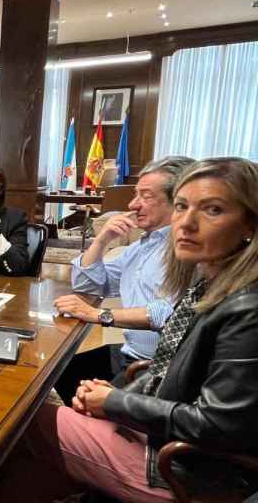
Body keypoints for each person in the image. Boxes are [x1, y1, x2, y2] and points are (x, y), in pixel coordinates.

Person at [0, 157, 258, 503]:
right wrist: (118, 397)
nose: (187, 223)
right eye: (182, 206)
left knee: (15, 423)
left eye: (212, 210)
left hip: (182, 468)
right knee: (35, 427)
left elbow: (217, 425)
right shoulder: (208, 282)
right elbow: (91, 286)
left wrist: (118, 401)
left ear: (249, 225)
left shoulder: (246, 308)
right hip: (162, 432)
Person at [53, 156, 194, 403]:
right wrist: (101, 240)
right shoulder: (143, 245)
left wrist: (99, 315)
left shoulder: (186, 248)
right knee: (56, 374)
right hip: (128, 353)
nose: (133, 204)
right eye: (135, 194)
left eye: (145, 196)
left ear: (179, 202)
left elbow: (169, 312)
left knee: (75, 402)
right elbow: (89, 284)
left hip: (159, 368)